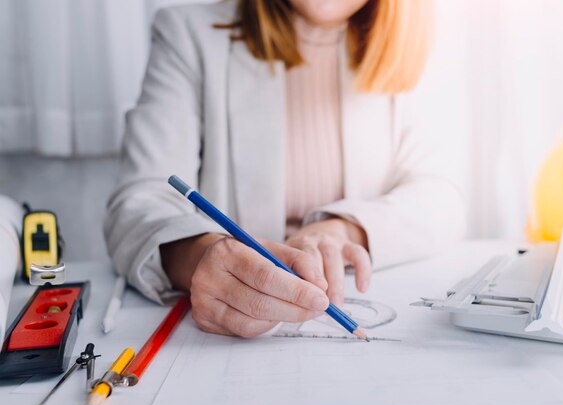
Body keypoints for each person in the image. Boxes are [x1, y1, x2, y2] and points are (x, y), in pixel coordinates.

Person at [104, 0, 465, 338]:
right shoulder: (187, 34)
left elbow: (442, 197)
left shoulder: (410, 44)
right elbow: (139, 205)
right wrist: (199, 256)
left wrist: (344, 230)